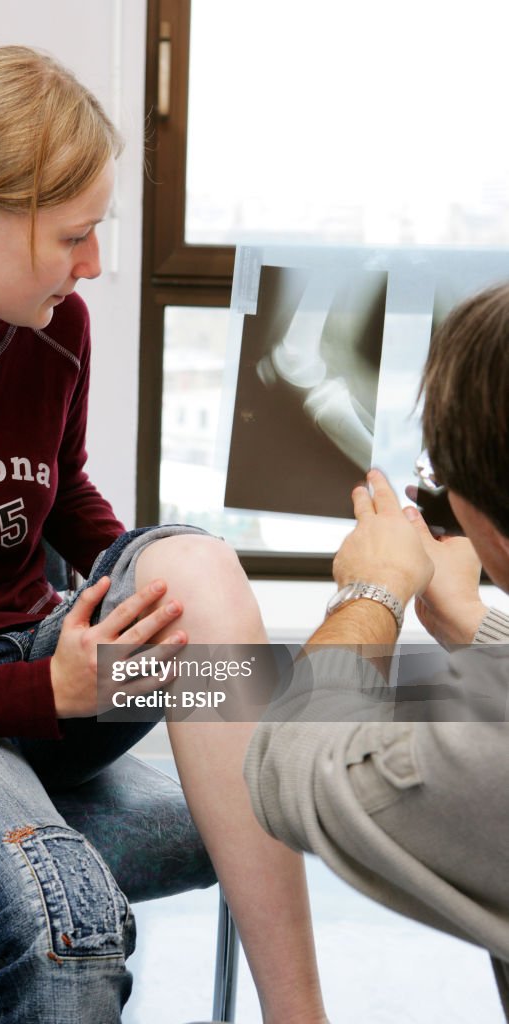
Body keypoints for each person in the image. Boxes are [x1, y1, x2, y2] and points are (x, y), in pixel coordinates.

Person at [0, 46, 329, 1023]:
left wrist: (144, 573)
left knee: (201, 569)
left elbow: (58, 496)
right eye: (74, 236)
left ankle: (296, 1016)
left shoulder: (53, 329)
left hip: (47, 676)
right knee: (73, 914)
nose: (93, 264)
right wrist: (42, 687)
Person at [244, 281, 509, 1017]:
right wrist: (473, 623)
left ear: (479, 521)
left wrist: (373, 589)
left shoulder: (485, 735)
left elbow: (290, 769)